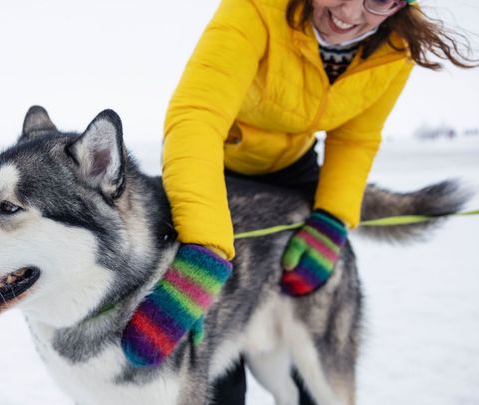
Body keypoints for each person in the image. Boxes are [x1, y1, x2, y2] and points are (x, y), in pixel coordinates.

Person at [121, 0, 475, 402]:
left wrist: (331, 219)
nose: (349, 12)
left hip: (293, 171)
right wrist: (204, 249)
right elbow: (198, 116)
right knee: (216, 356)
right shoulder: (254, 9)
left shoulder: (396, 45)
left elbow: (354, 138)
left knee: (315, 345)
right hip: (213, 166)